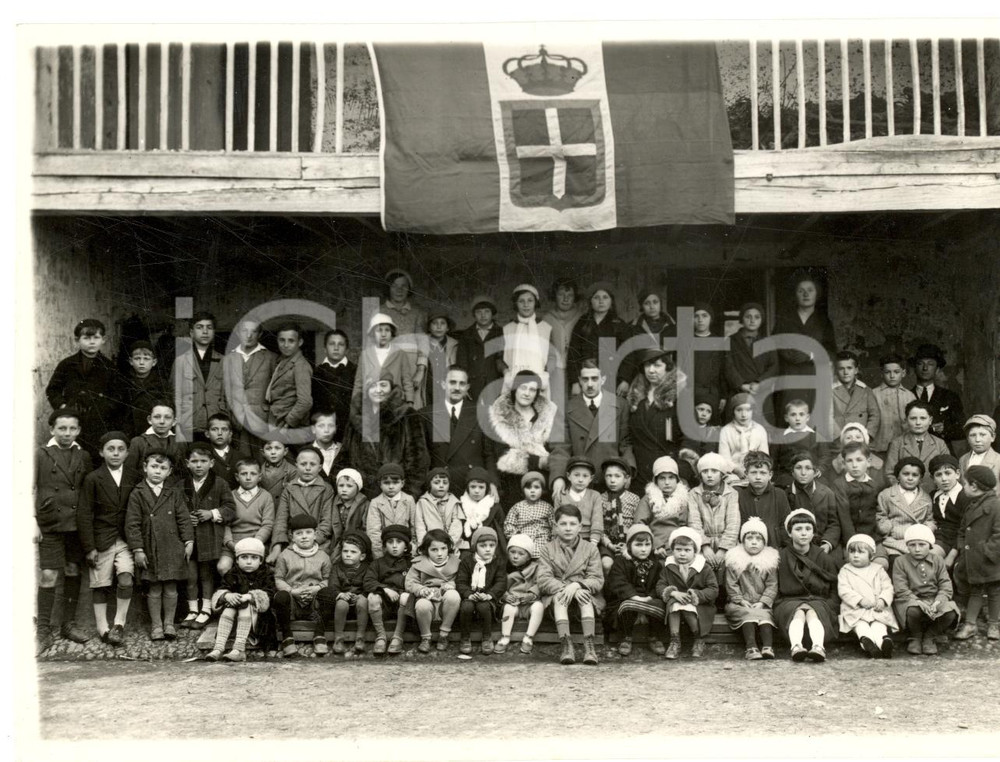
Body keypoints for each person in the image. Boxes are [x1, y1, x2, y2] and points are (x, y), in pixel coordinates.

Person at [35, 409, 94, 651]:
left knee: (72, 570)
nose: (67, 433)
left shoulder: (84, 456)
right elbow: (28, 487)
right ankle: (43, 631)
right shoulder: (41, 454)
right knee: (49, 574)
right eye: (62, 428)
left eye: (72, 429)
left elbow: (88, 492)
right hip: (50, 523)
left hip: (75, 525)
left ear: (78, 431)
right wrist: (32, 520)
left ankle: (67, 625)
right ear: (52, 430)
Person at [124, 450, 195, 642]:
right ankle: (156, 625)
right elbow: (132, 523)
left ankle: (169, 624)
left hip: (172, 546)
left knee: (171, 588)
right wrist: (138, 549)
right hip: (150, 546)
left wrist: (188, 541)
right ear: (145, 468)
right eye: (154, 466)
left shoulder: (173, 492)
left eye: (163, 468)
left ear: (170, 471)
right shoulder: (137, 493)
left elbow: (183, 518)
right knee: (154, 588)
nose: (158, 471)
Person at [77, 431, 138, 648]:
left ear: (127, 453)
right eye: (111, 449)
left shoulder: (133, 476)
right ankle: (102, 628)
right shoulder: (93, 478)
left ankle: (118, 624)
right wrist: (89, 547)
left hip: (125, 539)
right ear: (101, 452)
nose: (116, 453)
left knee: (125, 578)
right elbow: (84, 513)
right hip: (101, 539)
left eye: (121, 449)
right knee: (100, 584)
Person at [549, 359, 635, 499]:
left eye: (594, 379)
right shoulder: (566, 408)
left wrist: (628, 472)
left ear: (603, 379)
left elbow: (626, 444)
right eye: (585, 379)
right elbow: (560, 448)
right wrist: (558, 477)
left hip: (610, 481)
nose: (590, 384)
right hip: (580, 483)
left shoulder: (620, 405)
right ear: (579, 380)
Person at [537, 505, 605, 666]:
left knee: (585, 598)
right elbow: (543, 578)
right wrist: (566, 588)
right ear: (555, 526)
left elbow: (597, 579)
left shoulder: (590, 549)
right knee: (561, 598)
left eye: (573, 524)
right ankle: (566, 645)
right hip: (557, 596)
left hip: (583, 593)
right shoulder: (548, 549)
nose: (568, 528)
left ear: (580, 526)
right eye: (563, 524)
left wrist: (577, 585)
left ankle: (589, 647)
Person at [45, 318, 122, 458]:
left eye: (96, 337)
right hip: (72, 421)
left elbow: (117, 395)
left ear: (103, 339)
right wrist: (63, 407)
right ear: (77, 340)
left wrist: (102, 409)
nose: (92, 342)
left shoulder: (109, 367)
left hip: (99, 423)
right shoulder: (67, 365)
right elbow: (53, 390)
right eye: (86, 338)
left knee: (95, 457)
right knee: (72, 456)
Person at [343, 375, 429, 500]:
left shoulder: (407, 414)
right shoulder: (356, 416)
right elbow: (345, 455)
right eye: (373, 385)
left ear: (391, 388)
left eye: (383, 385)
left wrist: (409, 494)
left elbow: (418, 460)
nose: (378, 390)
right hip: (361, 496)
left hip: (396, 494)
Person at [181, 442, 237, 630]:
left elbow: (230, 509)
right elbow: (174, 508)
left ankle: (206, 609)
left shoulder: (220, 483)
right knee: (190, 575)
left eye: (203, 461)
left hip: (209, 536)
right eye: (194, 461)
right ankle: (192, 610)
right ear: (187, 463)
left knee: (206, 575)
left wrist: (211, 514)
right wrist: (186, 518)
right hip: (188, 538)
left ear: (212, 463)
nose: (198, 465)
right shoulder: (181, 485)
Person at [418, 365, 497, 497]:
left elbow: (489, 454)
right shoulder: (426, 414)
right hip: (440, 487)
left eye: (462, 383)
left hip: (473, 488)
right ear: (443, 384)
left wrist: (493, 483)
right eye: (452, 382)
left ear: (467, 387)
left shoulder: (482, 413)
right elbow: (421, 459)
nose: (457, 388)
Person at [774, 509, 840, 662]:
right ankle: (796, 647)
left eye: (808, 529)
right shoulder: (781, 556)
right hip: (788, 601)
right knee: (798, 611)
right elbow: (774, 584)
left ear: (813, 533)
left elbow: (834, 586)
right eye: (798, 529)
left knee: (812, 611)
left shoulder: (823, 557)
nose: (803, 533)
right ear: (789, 533)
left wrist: (831, 604)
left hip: (818, 600)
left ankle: (818, 646)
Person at [771, 271, 837, 416]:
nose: (806, 294)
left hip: (813, 374)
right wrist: (791, 355)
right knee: (789, 413)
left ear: (817, 294)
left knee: (810, 414)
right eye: (801, 291)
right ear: (795, 294)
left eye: (810, 290)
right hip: (789, 373)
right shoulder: (785, 319)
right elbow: (775, 344)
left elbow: (831, 350)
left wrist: (811, 355)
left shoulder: (823, 321)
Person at [488, 370, 558, 504]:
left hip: (541, 483)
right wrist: (539, 462)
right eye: (523, 388)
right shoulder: (499, 415)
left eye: (532, 390)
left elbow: (554, 451)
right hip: (512, 484)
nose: (527, 393)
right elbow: (503, 456)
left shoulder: (548, 416)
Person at [205, 537, 277, 662]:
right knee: (229, 606)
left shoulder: (266, 574)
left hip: (258, 620)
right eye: (244, 557)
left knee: (244, 605)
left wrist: (251, 596)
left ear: (261, 561)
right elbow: (222, 589)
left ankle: (239, 649)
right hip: (233, 621)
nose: (249, 562)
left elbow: (269, 594)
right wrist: (226, 595)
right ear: (237, 560)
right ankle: (218, 647)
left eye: (254, 558)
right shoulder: (232, 573)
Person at [893, 524, 960, 654]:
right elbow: (901, 588)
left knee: (950, 612)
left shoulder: (938, 560)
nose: (917, 549)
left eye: (921, 544)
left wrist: (938, 601)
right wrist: (917, 601)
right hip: (911, 600)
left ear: (930, 545)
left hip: (934, 600)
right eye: (912, 545)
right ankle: (915, 637)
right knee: (912, 611)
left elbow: (945, 585)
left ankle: (930, 636)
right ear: (907, 546)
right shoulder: (900, 561)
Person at [272, 513, 332, 658]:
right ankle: (287, 637)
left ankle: (319, 635)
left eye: (308, 532)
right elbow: (279, 578)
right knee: (280, 597)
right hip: (294, 600)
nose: (304, 536)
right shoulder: (285, 555)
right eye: (299, 533)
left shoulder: (323, 556)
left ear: (315, 534)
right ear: (292, 536)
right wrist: (292, 591)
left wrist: (317, 588)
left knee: (329, 594)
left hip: (314, 601)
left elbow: (327, 579)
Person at [604, 523, 667, 657]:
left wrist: (650, 596)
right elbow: (618, 582)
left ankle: (653, 636)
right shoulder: (621, 561)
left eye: (647, 545)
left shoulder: (655, 564)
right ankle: (626, 637)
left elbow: (659, 583)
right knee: (627, 606)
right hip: (628, 599)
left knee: (661, 605)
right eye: (638, 545)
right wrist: (635, 597)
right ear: (629, 546)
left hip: (649, 599)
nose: (644, 549)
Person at [952, 466, 1000, 641]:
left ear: (974, 486)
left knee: (995, 591)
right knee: (976, 591)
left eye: (964, 484)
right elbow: (963, 530)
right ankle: (971, 625)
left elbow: (999, 534)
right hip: (973, 559)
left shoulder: (996, 505)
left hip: (990, 560)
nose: (963, 487)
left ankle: (994, 624)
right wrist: (962, 548)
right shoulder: (971, 505)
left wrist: (987, 552)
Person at [656, 527, 718, 659]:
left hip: (700, 605)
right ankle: (674, 641)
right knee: (674, 605)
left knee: (687, 607)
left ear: (695, 551)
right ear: (672, 550)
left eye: (687, 550)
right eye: (678, 550)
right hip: (676, 601)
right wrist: (673, 593)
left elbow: (713, 589)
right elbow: (660, 585)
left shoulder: (703, 567)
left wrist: (696, 595)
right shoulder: (669, 566)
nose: (682, 554)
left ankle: (698, 638)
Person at [269, 446, 339, 563]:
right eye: (303, 464)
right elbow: (281, 520)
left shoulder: (326, 489)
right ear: (296, 465)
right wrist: (277, 546)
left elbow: (326, 522)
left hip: (317, 542)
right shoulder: (289, 488)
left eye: (312, 464)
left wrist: (311, 542)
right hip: (293, 541)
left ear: (320, 467)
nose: (307, 468)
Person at [724, 517, 779, 660]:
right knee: (747, 615)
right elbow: (731, 584)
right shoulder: (734, 560)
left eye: (758, 539)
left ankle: (767, 647)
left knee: (765, 616)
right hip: (740, 603)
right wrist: (740, 600)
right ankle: (751, 647)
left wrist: (763, 602)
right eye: (749, 538)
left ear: (764, 542)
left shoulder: (770, 561)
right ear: (742, 540)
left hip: (761, 603)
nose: (754, 542)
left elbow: (772, 585)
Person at [315, 530, 378, 655]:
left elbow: (369, 585)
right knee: (341, 603)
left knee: (362, 601)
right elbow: (332, 586)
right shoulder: (337, 568)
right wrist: (341, 594)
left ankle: (360, 637)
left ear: (362, 556)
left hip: (360, 607)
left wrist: (362, 595)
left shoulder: (368, 568)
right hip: (342, 607)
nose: (348, 555)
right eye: (345, 551)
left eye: (353, 552)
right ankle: (339, 638)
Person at [627, 348, 683, 487]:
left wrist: (681, 471)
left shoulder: (679, 397)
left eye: (657, 365)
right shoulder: (635, 398)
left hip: (667, 473)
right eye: (647, 365)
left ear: (668, 368)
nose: (651, 370)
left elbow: (688, 439)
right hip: (639, 471)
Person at [837, 533, 898, 658]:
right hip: (855, 609)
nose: (855, 555)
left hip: (876, 607)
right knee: (861, 626)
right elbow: (844, 589)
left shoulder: (878, 569)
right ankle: (867, 643)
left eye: (861, 552)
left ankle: (883, 644)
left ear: (871, 555)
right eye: (852, 552)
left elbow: (888, 587)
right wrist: (859, 600)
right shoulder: (845, 570)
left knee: (879, 625)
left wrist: (883, 600)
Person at [170, 311, 227, 441]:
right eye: (200, 327)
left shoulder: (223, 360)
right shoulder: (181, 361)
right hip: (189, 424)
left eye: (209, 327)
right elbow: (175, 395)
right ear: (191, 332)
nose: (205, 331)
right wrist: (177, 424)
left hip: (216, 425)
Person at [688, 452, 740, 594]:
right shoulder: (694, 494)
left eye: (714, 471)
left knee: (729, 566)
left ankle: (726, 596)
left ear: (722, 474)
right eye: (705, 471)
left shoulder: (731, 493)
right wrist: (705, 547)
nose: (709, 475)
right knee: (700, 565)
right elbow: (694, 522)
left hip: (726, 542)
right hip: (703, 542)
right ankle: (705, 596)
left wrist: (723, 549)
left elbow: (733, 523)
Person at [222, 319, 276, 452]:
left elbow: (277, 392)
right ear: (238, 333)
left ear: (260, 334)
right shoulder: (228, 358)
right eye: (245, 331)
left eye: (254, 331)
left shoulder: (270, 357)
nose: (249, 335)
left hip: (261, 419)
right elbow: (224, 390)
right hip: (236, 419)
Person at [404, 528, 462, 653]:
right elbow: (410, 582)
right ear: (426, 550)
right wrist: (421, 589)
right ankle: (426, 638)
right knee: (421, 604)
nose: (439, 554)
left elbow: (462, 581)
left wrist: (452, 584)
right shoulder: (419, 563)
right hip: (428, 600)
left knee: (454, 595)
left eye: (443, 549)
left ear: (449, 548)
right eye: (434, 550)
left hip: (446, 604)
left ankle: (443, 635)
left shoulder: (456, 563)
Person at [567, 282, 629, 394]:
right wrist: (575, 382)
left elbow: (629, 354)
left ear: (611, 301)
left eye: (605, 297)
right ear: (591, 301)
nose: (601, 301)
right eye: (596, 297)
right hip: (587, 378)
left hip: (612, 379)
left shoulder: (619, 324)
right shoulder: (583, 323)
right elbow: (573, 352)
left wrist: (625, 379)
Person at [830, 443, 888, 562]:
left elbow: (878, 513)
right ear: (844, 463)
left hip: (872, 537)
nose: (854, 465)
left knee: (881, 563)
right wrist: (854, 543)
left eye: (859, 460)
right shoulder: (839, 484)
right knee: (856, 563)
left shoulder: (875, 485)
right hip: (848, 538)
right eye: (849, 461)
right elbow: (844, 516)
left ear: (868, 462)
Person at [380, 268, 429, 408]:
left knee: (412, 402)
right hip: (388, 363)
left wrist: (420, 370)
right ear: (388, 288)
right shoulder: (379, 311)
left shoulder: (417, 313)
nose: (399, 290)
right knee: (390, 402)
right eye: (394, 286)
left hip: (412, 364)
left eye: (403, 286)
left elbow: (423, 342)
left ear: (409, 289)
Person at [876, 457, 936, 571]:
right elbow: (881, 517)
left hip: (917, 541)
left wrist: (924, 530)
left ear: (920, 479)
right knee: (897, 563)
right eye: (906, 474)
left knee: (923, 566)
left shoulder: (926, 498)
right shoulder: (887, 495)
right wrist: (892, 529)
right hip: (894, 541)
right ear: (898, 476)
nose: (910, 478)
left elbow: (929, 519)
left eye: (915, 475)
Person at [457, 526, 507, 655]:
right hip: (470, 595)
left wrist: (490, 595)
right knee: (466, 606)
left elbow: (501, 582)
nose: (488, 549)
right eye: (483, 545)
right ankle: (465, 637)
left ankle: (486, 637)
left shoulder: (498, 562)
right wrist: (468, 594)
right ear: (475, 547)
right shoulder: (466, 562)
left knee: (484, 607)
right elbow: (461, 582)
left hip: (487, 598)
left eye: (492, 545)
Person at [723, 302, 777, 424]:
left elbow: (774, 366)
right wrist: (741, 384)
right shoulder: (731, 341)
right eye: (748, 317)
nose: (752, 320)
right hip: (739, 392)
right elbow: (728, 366)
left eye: (757, 317)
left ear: (761, 320)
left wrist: (759, 383)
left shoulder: (768, 342)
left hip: (761, 392)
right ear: (742, 318)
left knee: (762, 431)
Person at [220, 458, 275, 576]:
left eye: (253, 474)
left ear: (259, 477)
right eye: (244, 474)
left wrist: (255, 543)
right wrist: (231, 544)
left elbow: (267, 524)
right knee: (223, 567)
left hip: (257, 541)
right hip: (233, 543)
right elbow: (225, 524)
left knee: (265, 570)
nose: (248, 477)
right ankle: (233, 593)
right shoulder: (229, 495)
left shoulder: (266, 497)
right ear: (236, 476)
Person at [787, 451, 843, 560]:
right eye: (798, 468)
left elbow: (834, 523)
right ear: (792, 472)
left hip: (821, 542)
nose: (803, 473)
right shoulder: (786, 495)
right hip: (797, 544)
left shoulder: (827, 493)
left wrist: (827, 543)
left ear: (816, 472)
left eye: (808, 468)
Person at [908, 344, 966, 448]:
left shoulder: (950, 397)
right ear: (914, 368)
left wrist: (945, 429)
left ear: (937, 369)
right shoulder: (906, 396)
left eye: (930, 364)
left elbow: (963, 430)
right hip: (911, 451)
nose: (925, 368)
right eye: (920, 363)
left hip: (941, 453)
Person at [496, 534, 547, 655]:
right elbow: (498, 586)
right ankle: (505, 637)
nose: (515, 556)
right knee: (508, 608)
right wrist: (505, 596)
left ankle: (528, 637)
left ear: (529, 556)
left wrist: (532, 595)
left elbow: (541, 583)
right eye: (512, 552)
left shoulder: (536, 568)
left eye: (521, 554)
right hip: (513, 604)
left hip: (529, 603)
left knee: (538, 606)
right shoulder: (503, 568)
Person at [634, 455, 691, 559]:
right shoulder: (649, 499)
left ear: (677, 480)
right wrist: (656, 545)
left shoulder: (682, 499)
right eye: (662, 478)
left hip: (677, 545)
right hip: (652, 544)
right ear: (655, 481)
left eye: (671, 477)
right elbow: (640, 524)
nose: (667, 482)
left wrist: (679, 547)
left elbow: (684, 526)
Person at [353, 313, 417, 406]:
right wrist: (355, 404)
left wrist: (410, 401)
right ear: (373, 333)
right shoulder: (365, 354)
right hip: (371, 402)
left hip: (395, 402)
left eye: (387, 330)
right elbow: (359, 383)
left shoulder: (400, 353)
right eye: (379, 330)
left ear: (392, 333)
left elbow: (407, 380)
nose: (383, 334)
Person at [885, 400, 949, 493]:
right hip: (904, 496)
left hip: (933, 494)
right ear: (906, 420)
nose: (918, 422)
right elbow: (889, 474)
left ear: (930, 420)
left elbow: (947, 472)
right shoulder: (897, 443)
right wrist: (903, 493)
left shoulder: (940, 444)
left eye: (923, 418)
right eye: (913, 418)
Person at [621, 286, 677, 388]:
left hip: (668, 376)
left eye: (655, 302)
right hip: (642, 376)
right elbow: (629, 356)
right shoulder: (633, 327)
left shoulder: (674, 327)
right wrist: (626, 380)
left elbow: (680, 355)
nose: (652, 306)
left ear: (660, 304)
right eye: (647, 303)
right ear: (642, 306)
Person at [370, 524, 413, 656]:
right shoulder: (378, 563)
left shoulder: (412, 563)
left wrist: (403, 592)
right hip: (385, 604)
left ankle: (397, 637)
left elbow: (417, 582)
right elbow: (368, 581)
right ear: (384, 546)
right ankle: (381, 637)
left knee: (406, 596)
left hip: (405, 605)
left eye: (399, 542)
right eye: (390, 542)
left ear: (405, 546)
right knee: (372, 597)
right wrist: (385, 589)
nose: (394, 546)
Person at [455, 295, 505, 406]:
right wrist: (463, 385)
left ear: (492, 313)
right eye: (479, 312)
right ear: (474, 315)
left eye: (487, 311)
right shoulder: (467, 335)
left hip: (495, 384)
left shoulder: (501, 333)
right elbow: (461, 363)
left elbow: (504, 360)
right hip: (473, 386)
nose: (483, 315)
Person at [771, 399, 832, 488]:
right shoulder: (780, 438)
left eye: (801, 414)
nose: (797, 418)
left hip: (811, 475)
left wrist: (820, 469)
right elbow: (773, 459)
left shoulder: (816, 436)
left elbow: (825, 455)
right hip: (788, 477)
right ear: (786, 418)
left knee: (821, 488)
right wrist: (777, 476)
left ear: (807, 417)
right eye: (793, 414)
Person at [735, 451, 790, 550]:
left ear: (770, 475)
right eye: (753, 472)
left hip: (774, 548)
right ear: (746, 474)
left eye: (763, 473)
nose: (758, 477)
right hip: (746, 549)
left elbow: (785, 525)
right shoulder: (739, 495)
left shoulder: (779, 494)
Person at [265, 323, 313, 433]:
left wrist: (288, 423)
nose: (286, 345)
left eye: (291, 341)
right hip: (277, 420)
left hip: (290, 426)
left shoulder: (300, 365)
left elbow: (305, 402)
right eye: (282, 340)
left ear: (300, 342)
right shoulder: (282, 361)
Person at [365, 462, 417, 560]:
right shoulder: (375, 502)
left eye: (395, 482)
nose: (391, 487)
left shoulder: (409, 500)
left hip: (406, 551)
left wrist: (413, 550)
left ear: (402, 483)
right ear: (380, 484)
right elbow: (373, 533)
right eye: (386, 483)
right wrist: (380, 558)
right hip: (385, 551)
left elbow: (414, 527)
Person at [311, 329, 355, 442]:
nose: (336, 348)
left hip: (349, 429)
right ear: (325, 349)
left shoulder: (356, 371)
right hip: (324, 429)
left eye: (341, 344)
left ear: (347, 349)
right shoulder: (316, 372)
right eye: (332, 344)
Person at [598, 457, 641, 572]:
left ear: (626, 479)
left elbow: (637, 524)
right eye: (609, 476)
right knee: (606, 564)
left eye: (617, 476)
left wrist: (628, 544)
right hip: (607, 543)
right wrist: (609, 545)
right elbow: (598, 527)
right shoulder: (600, 499)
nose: (612, 480)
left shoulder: (634, 499)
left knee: (629, 565)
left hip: (628, 543)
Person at [124, 400, 187, 477]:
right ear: (150, 420)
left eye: (167, 417)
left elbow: (183, 474)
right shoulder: (138, 442)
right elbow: (129, 473)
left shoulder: (180, 442)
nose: (162, 421)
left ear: (174, 421)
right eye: (157, 417)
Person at [120, 340, 168, 440]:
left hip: (151, 429)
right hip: (128, 430)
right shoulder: (122, 382)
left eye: (146, 359)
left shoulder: (161, 384)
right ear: (130, 361)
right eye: (137, 358)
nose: (141, 363)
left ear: (154, 362)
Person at [871, 353, 916, 458]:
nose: (892, 376)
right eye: (887, 372)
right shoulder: (873, 394)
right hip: (878, 449)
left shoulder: (910, 396)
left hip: (903, 449)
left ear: (903, 373)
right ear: (882, 373)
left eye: (896, 372)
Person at [928, 454, 969, 567]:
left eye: (948, 473)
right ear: (933, 478)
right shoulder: (933, 496)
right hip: (939, 539)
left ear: (957, 474)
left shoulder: (965, 496)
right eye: (938, 475)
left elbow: (966, 529)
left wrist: (952, 555)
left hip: (961, 541)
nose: (944, 479)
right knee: (925, 559)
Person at [503, 284, 552, 377]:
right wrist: (506, 372)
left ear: (535, 303)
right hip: (513, 378)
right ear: (516, 304)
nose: (526, 305)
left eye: (530, 300)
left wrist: (546, 373)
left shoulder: (546, 328)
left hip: (540, 378)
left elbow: (552, 356)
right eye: (521, 301)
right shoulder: (507, 329)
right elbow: (499, 357)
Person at [553, 457, 604, 547]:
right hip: (565, 539)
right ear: (569, 476)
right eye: (576, 475)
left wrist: (593, 543)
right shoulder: (561, 496)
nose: (580, 479)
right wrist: (557, 541)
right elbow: (556, 521)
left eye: (585, 476)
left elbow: (597, 521)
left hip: (588, 539)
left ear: (591, 478)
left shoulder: (595, 496)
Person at [689, 302, 726, 423]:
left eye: (704, 316)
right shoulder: (686, 342)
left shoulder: (719, 343)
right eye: (696, 316)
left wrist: (723, 395)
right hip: (691, 392)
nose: (700, 320)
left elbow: (723, 371)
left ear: (711, 319)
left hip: (712, 393)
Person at [831, 350, 881, 440]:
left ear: (856, 370)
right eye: (841, 368)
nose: (845, 372)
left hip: (860, 440)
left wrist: (867, 435)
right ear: (836, 370)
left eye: (849, 368)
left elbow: (875, 415)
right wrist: (840, 437)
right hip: (838, 442)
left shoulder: (866, 390)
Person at [503, 471, 554, 559]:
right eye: (529, 488)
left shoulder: (548, 507)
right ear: (523, 490)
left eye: (536, 487)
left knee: (544, 558)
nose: (532, 491)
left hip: (542, 539)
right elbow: (509, 524)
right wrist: (517, 537)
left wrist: (552, 540)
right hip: (523, 541)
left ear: (542, 489)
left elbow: (554, 526)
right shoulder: (517, 507)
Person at [457, 467, 506, 558]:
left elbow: (501, 529)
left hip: (490, 549)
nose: (477, 491)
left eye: (481, 487)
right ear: (467, 488)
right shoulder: (461, 505)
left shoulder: (494, 506)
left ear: (487, 488)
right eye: (473, 487)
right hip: (468, 549)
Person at [542, 278, 586, 375]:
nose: (565, 299)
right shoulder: (547, 319)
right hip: (553, 370)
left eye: (570, 295)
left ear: (575, 297)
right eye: (561, 294)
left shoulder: (582, 318)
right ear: (554, 296)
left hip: (577, 370)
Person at [718, 393, 768, 474]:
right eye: (739, 410)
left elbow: (764, 457)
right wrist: (737, 470)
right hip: (733, 472)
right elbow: (724, 458)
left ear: (753, 411)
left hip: (757, 470)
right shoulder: (726, 430)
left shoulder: (760, 430)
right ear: (733, 411)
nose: (744, 415)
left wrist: (754, 470)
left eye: (748, 410)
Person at [415, 467, 462, 548]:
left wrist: (449, 544)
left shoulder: (454, 502)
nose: (441, 486)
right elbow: (420, 526)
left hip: (450, 544)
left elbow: (456, 525)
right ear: (429, 484)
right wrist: (425, 545)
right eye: (436, 483)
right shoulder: (422, 502)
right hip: (429, 544)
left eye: (445, 483)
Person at [423, 309, 458, 410]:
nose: (438, 327)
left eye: (442, 323)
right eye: (434, 323)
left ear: (447, 328)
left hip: (445, 384)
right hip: (427, 384)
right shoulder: (422, 342)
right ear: (429, 327)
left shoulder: (454, 344)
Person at [206, 412, 250, 490]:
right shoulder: (204, 457)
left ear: (230, 434)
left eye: (224, 429)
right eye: (214, 429)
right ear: (207, 434)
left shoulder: (241, 457)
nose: (219, 433)